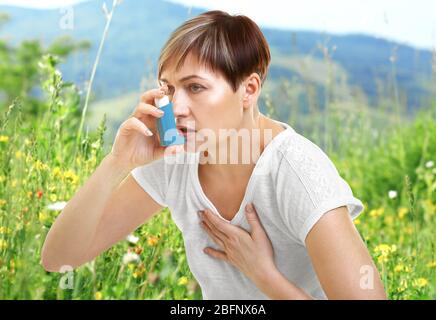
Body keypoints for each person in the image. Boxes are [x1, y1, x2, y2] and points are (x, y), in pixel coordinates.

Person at [41, 10, 387, 300]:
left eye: (196, 87)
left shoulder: (297, 173)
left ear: (248, 89)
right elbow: (60, 259)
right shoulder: (176, 156)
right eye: (169, 88)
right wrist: (117, 163)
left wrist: (263, 275)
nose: (176, 107)